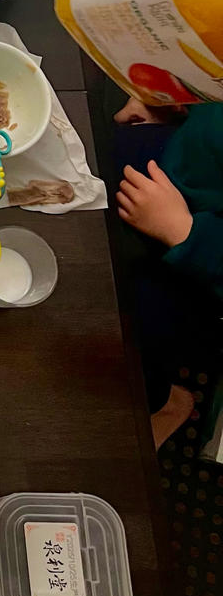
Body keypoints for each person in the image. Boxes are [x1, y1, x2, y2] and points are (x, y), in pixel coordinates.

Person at [114, 96, 223, 448]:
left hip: (197, 249)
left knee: (135, 335)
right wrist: (168, 95)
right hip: (182, 152)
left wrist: (182, 231)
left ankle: (165, 404)